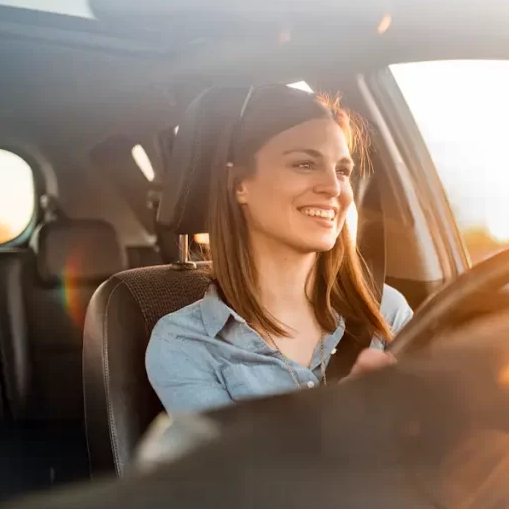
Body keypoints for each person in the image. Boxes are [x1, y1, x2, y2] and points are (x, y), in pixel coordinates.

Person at [146, 85, 412, 415]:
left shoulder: (386, 311)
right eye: (304, 164)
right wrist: (344, 417)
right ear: (240, 184)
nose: (333, 188)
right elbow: (235, 467)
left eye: (342, 171)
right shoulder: (185, 343)